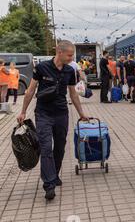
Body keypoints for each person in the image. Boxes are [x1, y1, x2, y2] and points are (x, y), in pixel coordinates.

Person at [17, 40, 88, 201]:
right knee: (46, 147)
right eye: (70, 55)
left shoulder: (70, 71)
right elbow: (30, 91)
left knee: (60, 147)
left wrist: (81, 113)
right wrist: (22, 112)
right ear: (60, 52)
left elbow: (73, 94)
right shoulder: (42, 68)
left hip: (61, 113)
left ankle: (54, 174)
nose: (72, 58)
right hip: (43, 113)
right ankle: (49, 185)